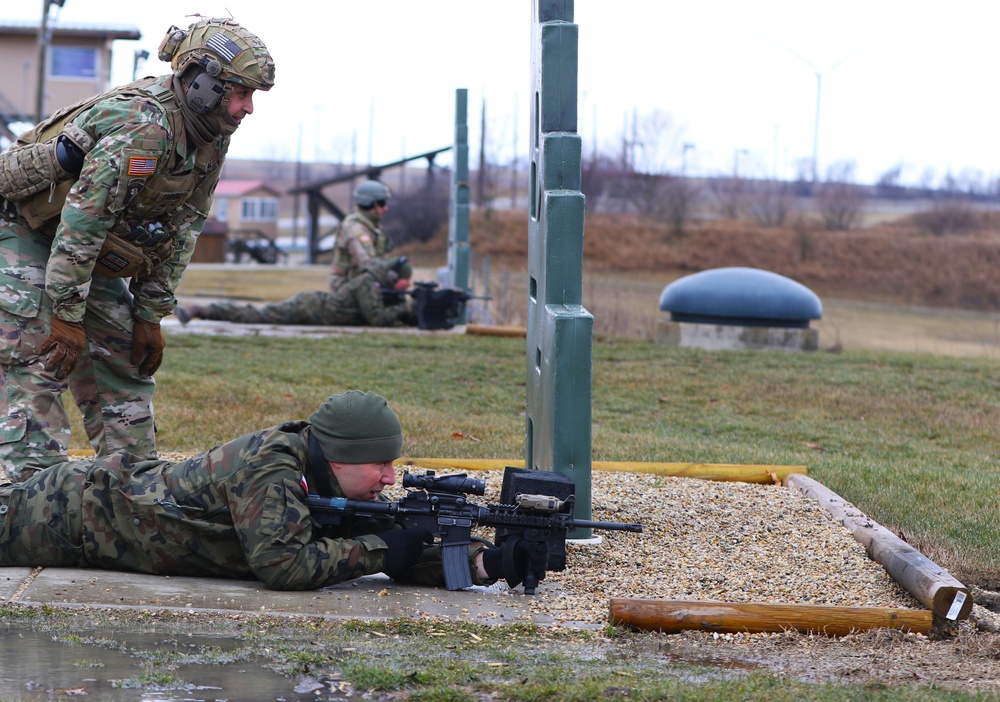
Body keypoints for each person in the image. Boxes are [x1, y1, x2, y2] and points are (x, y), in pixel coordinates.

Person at [0, 18, 275, 483]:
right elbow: (82, 222)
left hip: (82, 243)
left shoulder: (210, 133)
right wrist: (67, 316)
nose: (248, 108)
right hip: (28, 232)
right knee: (40, 354)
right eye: (240, 93)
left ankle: (130, 489)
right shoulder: (143, 127)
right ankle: (26, 498)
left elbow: (183, 224)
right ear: (203, 85)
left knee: (123, 357)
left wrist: (149, 314)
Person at [0, 391, 525, 591]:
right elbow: (284, 565)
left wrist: (488, 563)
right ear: (338, 456)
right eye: (380, 464)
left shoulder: (329, 478)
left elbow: (388, 548)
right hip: (65, 515)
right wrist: (383, 548)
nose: (390, 477)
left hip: (97, 514)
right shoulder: (271, 469)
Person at [175, 256, 416, 327]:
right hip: (309, 309)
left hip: (314, 306)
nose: (407, 286)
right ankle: (200, 310)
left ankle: (201, 310)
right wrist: (405, 308)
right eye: (406, 281)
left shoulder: (375, 283)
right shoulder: (368, 283)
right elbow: (376, 318)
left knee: (257, 314)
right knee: (255, 315)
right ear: (394, 276)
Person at [328, 180, 394, 293]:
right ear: (370, 204)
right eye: (382, 204)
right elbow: (368, 264)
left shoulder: (372, 227)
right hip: (347, 288)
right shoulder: (356, 230)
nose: (385, 208)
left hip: (363, 284)